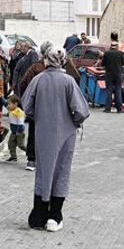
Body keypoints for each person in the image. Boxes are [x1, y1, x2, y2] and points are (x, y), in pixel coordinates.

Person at [21, 46, 90, 232]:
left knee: (43, 171)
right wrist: (73, 122)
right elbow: (81, 111)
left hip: (43, 133)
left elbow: (26, 105)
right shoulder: (68, 81)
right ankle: (54, 216)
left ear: (46, 59)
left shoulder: (38, 79)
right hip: (65, 134)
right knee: (61, 171)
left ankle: (38, 215)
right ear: (63, 60)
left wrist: (39, 116)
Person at [18, 41, 81, 171]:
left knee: (34, 133)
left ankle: (32, 160)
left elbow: (23, 84)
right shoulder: (66, 71)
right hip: (60, 108)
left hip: (39, 108)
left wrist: (29, 103)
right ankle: (53, 159)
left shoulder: (35, 69)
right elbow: (76, 79)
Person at [102, 41, 124, 114]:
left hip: (109, 75)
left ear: (111, 46)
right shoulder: (120, 53)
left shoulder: (107, 53)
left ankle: (108, 108)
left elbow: (103, 64)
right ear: (117, 46)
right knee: (118, 90)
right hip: (118, 75)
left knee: (109, 91)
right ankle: (119, 109)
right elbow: (123, 63)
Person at [5, 95, 27, 163]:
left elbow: (20, 124)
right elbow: (4, 103)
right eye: (8, 104)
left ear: (15, 104)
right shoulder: (11, 109)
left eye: (9, 104)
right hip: (14, 132)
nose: (8, 105)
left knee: (21, 145)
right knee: (10, 143)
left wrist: (18, 131)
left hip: (19, 132)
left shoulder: (19, 112)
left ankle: (30, 153)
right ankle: (13, 156)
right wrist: (0, 97)